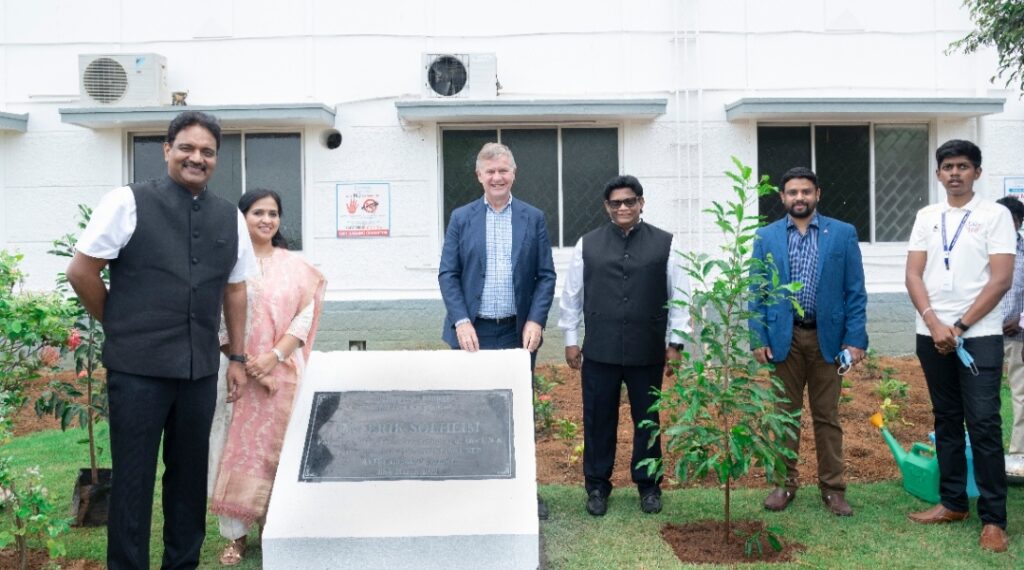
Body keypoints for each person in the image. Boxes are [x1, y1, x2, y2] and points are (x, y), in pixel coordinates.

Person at [66, 111, 257, 569]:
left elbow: (235, 287)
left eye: (207, 151)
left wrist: (237, 356)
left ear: (216, 159)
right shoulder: (126, 202)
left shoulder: (229, 216)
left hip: (198, 371)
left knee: (189, 481)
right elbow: (81, 270)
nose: (197, 158)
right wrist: (120, 322)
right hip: (137, 373)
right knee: (133, 481)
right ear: (167, 149)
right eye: (187, 148)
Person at [558, 174, 691, 517]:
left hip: (646, 350)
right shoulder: (587, 244)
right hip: (599, 351)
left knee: (647, 420)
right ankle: (597, 486)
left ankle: (649, 486)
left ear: (641, 203)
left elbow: (681, 297)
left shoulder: (666, 244)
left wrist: (675, 343)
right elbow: (572, 296)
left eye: (629, 201)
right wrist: (571, 340)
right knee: (598, 419)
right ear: (607, 207)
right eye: (616, 203)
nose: (623, 208)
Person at [905, 140, 1014, 552]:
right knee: (945, 419)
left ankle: (994, 519)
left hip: (979, 335)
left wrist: (961, 325)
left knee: (984, 422)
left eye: (963, 166)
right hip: (931, 332)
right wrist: (934, 322)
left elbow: (1000, 278)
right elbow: (913, 274)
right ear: (938, 174)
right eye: (947, 166)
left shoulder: (995, 215)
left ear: (977, 172)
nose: (954, 173)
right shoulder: (927, 216)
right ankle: (952, 502)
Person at [438, 141, 557, 518]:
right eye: (490, 171)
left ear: (513, 174)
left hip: (517, 334)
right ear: (479, 176)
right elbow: (448, 274)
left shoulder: (533, 217)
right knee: (470, 413)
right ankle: (473, 492)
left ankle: (523, 492)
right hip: (471, 333)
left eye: (503, 170)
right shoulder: (461, 218)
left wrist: (536, 319)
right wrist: (461, 320)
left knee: (517, 414)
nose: (497, 177)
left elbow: (545, 275)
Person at [208, 189, 326, 565]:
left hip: (285, 374)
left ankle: (274, 528)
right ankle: (236, 536)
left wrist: (273, 358)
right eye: (257, 212)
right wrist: (243, 362)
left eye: (273, 213)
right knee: (233, 448)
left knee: (284, 449)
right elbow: (216, 322)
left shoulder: (296, 267)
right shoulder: (226, 266)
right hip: (236, 375)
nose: (266, 220)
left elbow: (304, 317)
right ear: (242, 218)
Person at [749, 166, 868, 517]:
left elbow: (855, 291)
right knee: (784, 416)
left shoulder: (842, 234)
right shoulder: (765, 237)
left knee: (827, 417)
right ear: (782, 197)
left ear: (817, 194)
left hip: (827, 340)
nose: (799, 198)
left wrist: (855, 339)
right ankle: (783, 484)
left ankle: (833, 489)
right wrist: (757, 336)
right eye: (792, 192)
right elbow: (757, 292)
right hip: (782, 339)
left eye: (805, 192)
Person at [995, 196, 1024, 459]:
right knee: (982, 395)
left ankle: (1018, 455)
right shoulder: (982, 248)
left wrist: (1021, 320)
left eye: (1008, 220)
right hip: (983, 333)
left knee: (1021, 395)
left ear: (1018, 222)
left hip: (1018, 335)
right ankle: (986, 453)